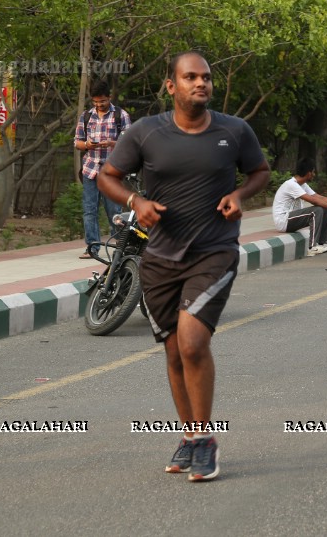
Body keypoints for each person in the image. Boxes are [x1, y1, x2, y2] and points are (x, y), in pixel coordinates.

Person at [98, 51, 270, 482]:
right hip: (158, 258)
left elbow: (260, 171)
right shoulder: (144, 133)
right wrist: (136, 201)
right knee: (174, 352)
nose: (201, 84)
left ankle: (206, 440)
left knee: (193, 343)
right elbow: (108, 175)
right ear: (171, 86)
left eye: (206, 77)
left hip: (214, 251)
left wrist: (240, 195)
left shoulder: (235, 130)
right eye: (190, 77)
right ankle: (190, 435)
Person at [73, 82, 132, 258]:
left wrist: (113, 143)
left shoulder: (120, 115)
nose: (99, 105)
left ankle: (121, 248)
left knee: (114, 212)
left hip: (111, 172)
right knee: (89, 210)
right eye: (96, 102)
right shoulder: (86, 116)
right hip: (90, 169)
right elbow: (77, 142)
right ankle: (92, 247)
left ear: (109, 98)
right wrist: (87, 145)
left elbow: (130, 142)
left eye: (103, 101)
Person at [272, 158, 327, 254]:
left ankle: (322, 243)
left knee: (325, 208)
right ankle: (312, 247)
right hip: (283, 221)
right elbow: (314, 201)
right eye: (313, 172)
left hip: (291, 218)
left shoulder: (302, 184)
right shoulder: (291, 185)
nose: (314, 175)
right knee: (316, 210)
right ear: (308, 173)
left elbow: (319, 197)